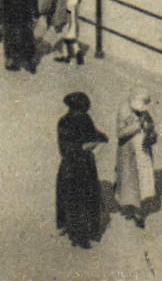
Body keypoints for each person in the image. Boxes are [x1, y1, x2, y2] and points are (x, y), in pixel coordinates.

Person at [55, 92, 108, 249]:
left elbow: (92, 132)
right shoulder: (64, 123)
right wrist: (84, 147)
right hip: (72, 167)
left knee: (88, 197)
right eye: (80, 110)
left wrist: (101, 136)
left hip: (86, 165)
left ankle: (89, 231)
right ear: (72, 109)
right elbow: (64, 150)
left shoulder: (85, 118)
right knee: (75, 201)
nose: (82, 113)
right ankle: (78, 236)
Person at [114, 89, 158, 228]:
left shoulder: (144, 112)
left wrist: (151, 131)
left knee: (143, 180)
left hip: (143, 150)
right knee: (131, 179)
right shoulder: (124, 110)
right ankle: (133, 206)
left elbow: (151, 126)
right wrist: (138, 125)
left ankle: (139, 211)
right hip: (129, 151)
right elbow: (120, 133)